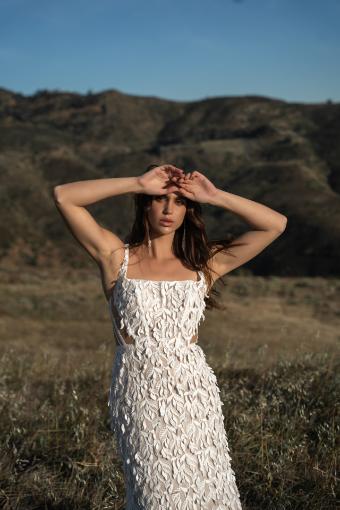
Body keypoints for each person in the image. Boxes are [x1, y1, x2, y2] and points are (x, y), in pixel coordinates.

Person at [54, 164, 287, 509]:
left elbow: (275, 224)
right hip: (140, 396)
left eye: (178, 201)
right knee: (157, 493)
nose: (168, 209)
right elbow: (64, 197)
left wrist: (215, 195)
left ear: (188, 210)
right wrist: (136, 181)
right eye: (159, 199)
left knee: (208, 488)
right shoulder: (116, 257)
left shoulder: (204, 264)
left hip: (195, 397)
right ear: (144, 204)